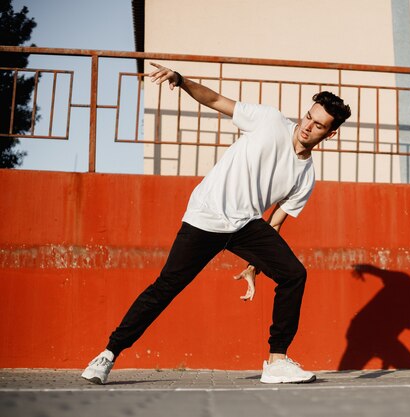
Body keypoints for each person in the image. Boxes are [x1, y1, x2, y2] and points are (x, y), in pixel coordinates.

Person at [81, 62, 351, 385]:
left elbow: (274, 225)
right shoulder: (270, 120)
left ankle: (277, 360)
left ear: (330, 133)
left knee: (294, 274)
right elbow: (217, 101)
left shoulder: (306, 176)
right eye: (309, 116)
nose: (307, 126)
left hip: (246, 223)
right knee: (166, 288)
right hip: (206, 215)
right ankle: (108, 354)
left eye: (319, 125)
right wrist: (180, 81)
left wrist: (255, 265)